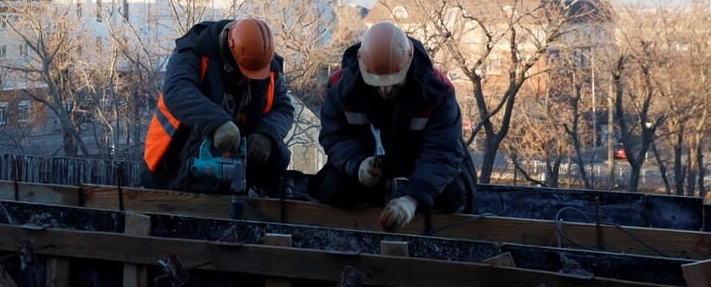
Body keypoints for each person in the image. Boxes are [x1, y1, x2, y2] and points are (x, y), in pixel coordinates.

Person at [310, 21, 477, 230]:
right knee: (333, 190)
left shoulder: (438, 91)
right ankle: (377, 195)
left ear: (407, 65)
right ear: (363, 68)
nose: (386, 91)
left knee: (454, 195)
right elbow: (334, 136)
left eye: (394, 82)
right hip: (370, 157)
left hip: (421, 158)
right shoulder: (342, 87)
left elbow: (443, 151)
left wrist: (413, 199)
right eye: (377, 84)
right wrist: (357, 164)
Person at [141, 17, 294, 196]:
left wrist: (267, 134)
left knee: (279, 155)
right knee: (209, 152)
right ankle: (196, 212)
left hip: (237, 146)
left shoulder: (264, 63)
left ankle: (256, 204)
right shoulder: (194, 50)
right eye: (243, 73)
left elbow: (284, 108)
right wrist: (218, 124)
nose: (246, 79)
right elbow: (177, 91)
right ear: (230, 52)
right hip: (176, 154)